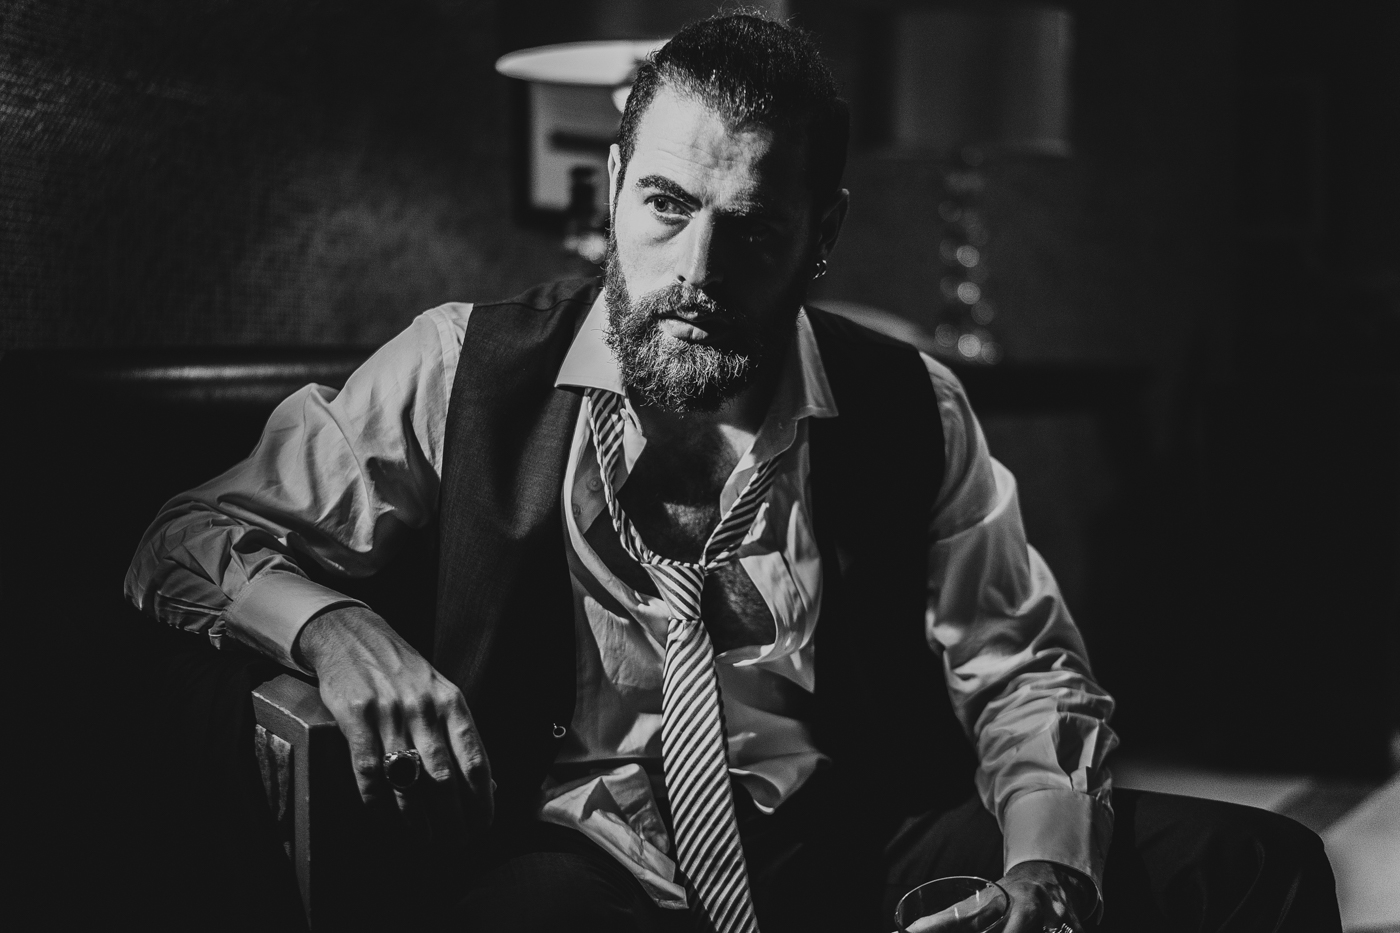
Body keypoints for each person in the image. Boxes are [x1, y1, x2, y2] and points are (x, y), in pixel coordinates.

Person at [125, 13, 1340, 933]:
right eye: (664, 204)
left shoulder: (908, 403)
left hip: (852, 840)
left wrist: (1046, 870)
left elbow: (1022, 667)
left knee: (1259, 870)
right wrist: (332, 627)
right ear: (611, 189)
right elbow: (184, 540)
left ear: (821, 236)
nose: (696, 269)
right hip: (571, 852)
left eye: (752, 226)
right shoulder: (457, 366)